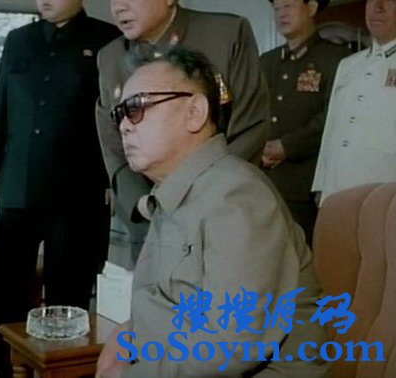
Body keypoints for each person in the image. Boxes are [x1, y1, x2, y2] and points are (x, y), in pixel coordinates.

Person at [96, 47, 327, 378]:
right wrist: (130, 330)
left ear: (195, 112)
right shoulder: (178, 191)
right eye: (119, 113)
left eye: (137, 107)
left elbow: (230, 346)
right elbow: (172, 299)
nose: (124, 126)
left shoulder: (237, 198)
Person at [0, 0, 120, 377]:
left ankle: (62, 373)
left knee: (68, 299)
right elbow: (0, 107)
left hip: (78, 192)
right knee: (5, 294)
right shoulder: (18, 40)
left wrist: (115, 178)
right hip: (18, 187)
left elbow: (115, 118)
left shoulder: (107, 40)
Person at [95, 0, 268, 265]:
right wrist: (142, 205)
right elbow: (113, 143)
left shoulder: (225, 35)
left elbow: (250, 127)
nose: (119, 5)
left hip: (223, 212)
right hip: (151, 220)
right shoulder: (110, 58)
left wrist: (204, 198)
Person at [260, 0, 351, 245]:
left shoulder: (337, 59)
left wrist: (287, 146)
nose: (281, 14)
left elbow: (334, 117)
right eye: (276, 8)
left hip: (307, 185)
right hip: (262, 180)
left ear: (311, 8)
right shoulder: (266, 62)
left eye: (288, 6)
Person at [313, 0, 396, 203]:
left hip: (385, 197)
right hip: (337, 193)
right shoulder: (348, 65)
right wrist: (320, 186)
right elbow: (331, 131)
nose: (377, 7)